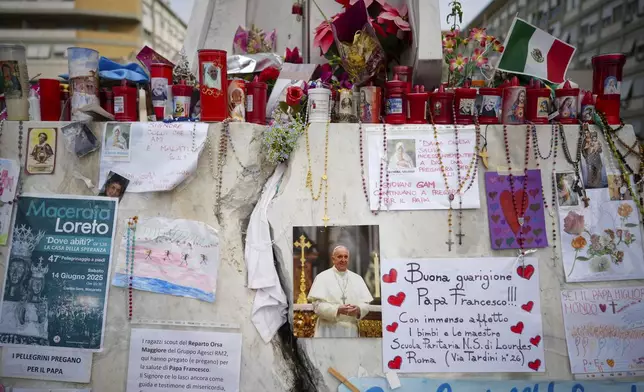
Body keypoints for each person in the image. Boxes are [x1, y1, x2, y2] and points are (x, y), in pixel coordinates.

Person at [307, 245, 373, 338]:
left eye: (345, 257)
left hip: (351, 331)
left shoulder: (357, 279)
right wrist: (337, 310)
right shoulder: (322, 277)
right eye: (339, 256)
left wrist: (358, 309)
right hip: (328, 330)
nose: (343, 260)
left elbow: (366, 304)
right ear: (333, 259)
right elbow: (317, 306)